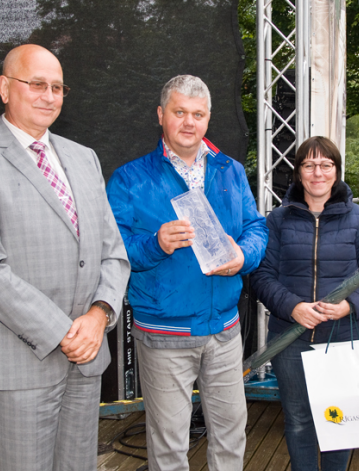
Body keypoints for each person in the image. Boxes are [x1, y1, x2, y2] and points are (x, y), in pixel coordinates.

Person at [0, 44, 130, 471]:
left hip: (86, 359)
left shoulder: (84, 159)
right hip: (20, 362)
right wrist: (64, 332)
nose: (48, 95)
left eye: (58, 87)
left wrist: (99, 316)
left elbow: (113, 255)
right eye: (37, 84)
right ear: (6, 88)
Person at [106, 75, 268, 471]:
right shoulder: (129, 178)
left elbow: (256, 227)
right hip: (164, 333)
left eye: (198, 114)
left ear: (208, 119)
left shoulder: (229, 170)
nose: (189, 122)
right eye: (180, 112)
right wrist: (155, 244)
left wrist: (243, 254)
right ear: (161, 115)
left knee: (232, 433)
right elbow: (111, 249)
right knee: (169, 444)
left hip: (225, 331)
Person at [250, 136, 359, 471]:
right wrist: (292, 307)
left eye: (326, 165)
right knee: (298, 421)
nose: (317, 173)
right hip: (290, 339)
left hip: (343, 338)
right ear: (297, 173)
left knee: (339, 424)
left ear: (337, 171)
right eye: (309, 165)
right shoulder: (278, 220)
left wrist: (349, 305)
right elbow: (261, 276)